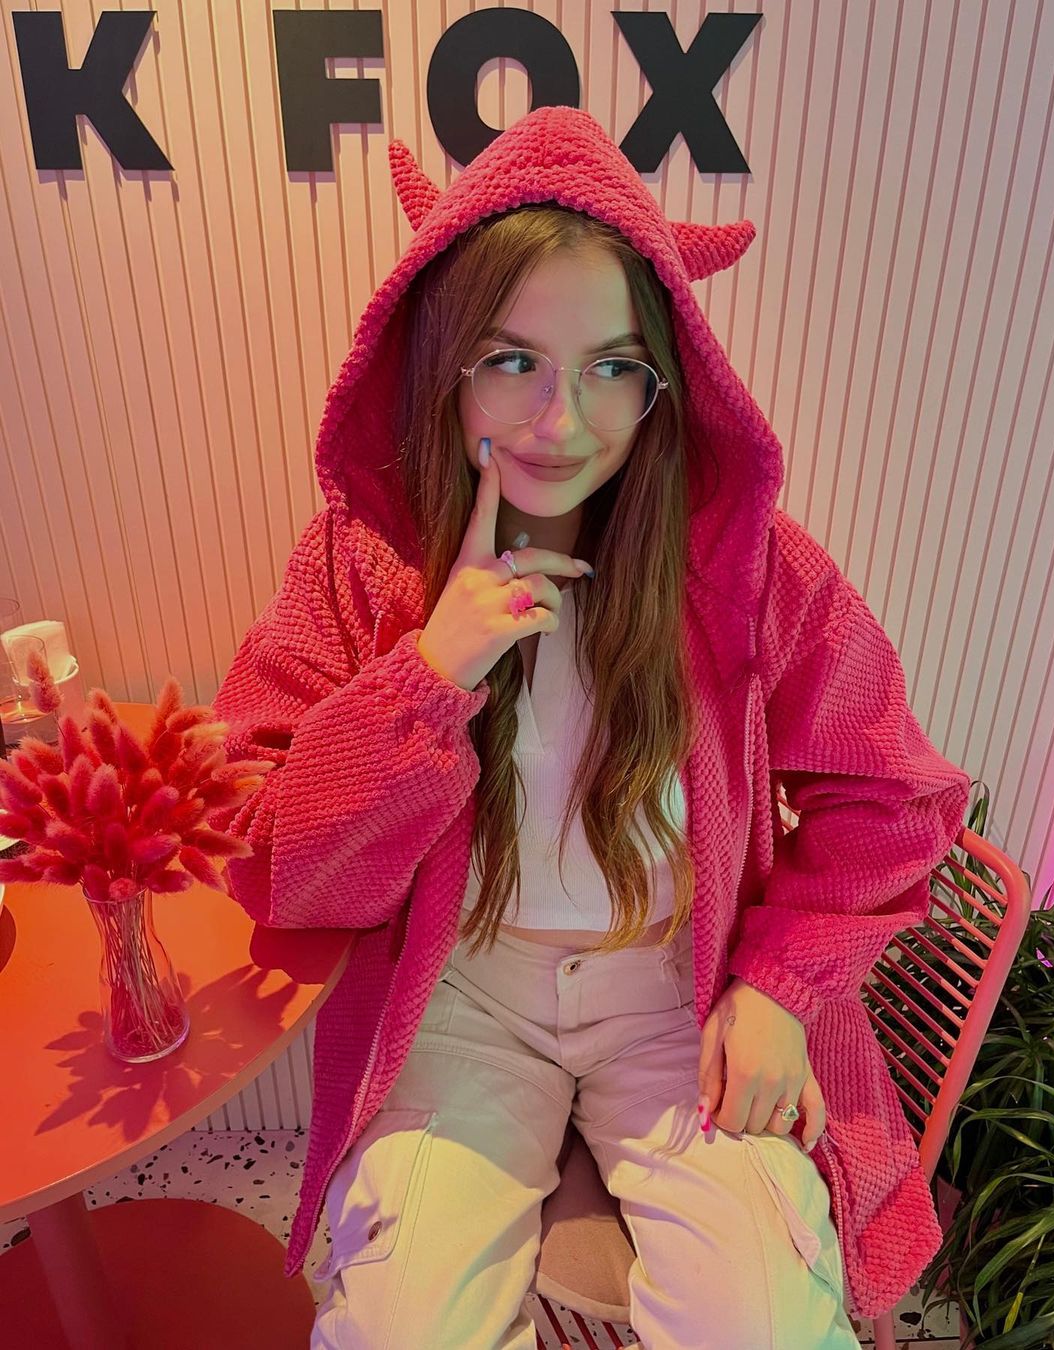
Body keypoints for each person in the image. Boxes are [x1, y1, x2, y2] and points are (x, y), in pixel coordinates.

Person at [210, 106, 971, 1349]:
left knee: (765, 1323)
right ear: (442, 361)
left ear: (665, 379)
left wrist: (781, 987)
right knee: (396, 1328)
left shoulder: (747, 564)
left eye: (612, 366)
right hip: (460, 993)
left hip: (675, 987)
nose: (561, 422)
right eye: (511, 360)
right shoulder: (360, 562)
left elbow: (893, 796)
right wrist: (430, 674)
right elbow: (273, 858)